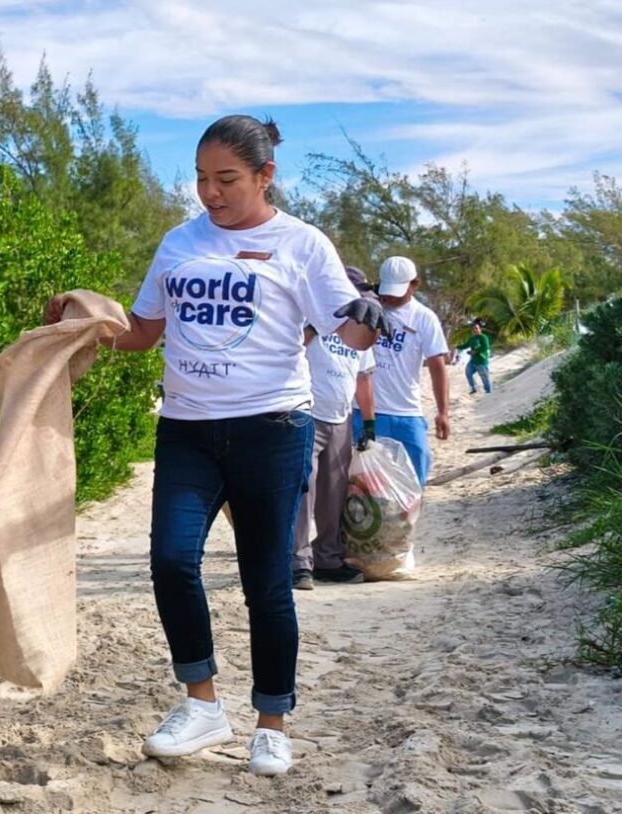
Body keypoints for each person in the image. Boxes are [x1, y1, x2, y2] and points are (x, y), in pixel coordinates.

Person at [45, 115, 388, 776]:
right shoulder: (180, 242)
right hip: (187, 430)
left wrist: (369, 320)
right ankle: (202, 704)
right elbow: (142, 332)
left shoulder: (303, 244)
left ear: (265, 175)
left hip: (273, 429)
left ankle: (272, 724)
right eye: (201, 178)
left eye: (226, 179)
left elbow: (347, 330)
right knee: (172, 560)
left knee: (268, 583)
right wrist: (81, 321)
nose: (210, 193)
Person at [292, 267, 377, 591]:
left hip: (341, 418)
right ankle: (299, 562)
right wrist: (315, 326)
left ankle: (328, 557)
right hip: (307, 414)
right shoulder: (308, 318)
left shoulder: (360, 331)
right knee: (304, 491)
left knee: (334, 493)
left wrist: (369, 422)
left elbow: (363, 378)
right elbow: (290, 348)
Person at [354, 256, 449, 487]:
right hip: (363, 412)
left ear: (414, 284)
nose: (391, 297)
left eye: (397, 291)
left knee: (415, 478)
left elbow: (437, 366)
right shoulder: (368, 309)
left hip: (406, 412)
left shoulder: (424, 318)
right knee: (363, 485)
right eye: (387, 291)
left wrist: (443, 412)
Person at [456, 318, 493, 394]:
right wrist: (457, 347)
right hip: (473, 361)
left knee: (484, 376)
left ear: (480, 329)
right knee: (468, 373)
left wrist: (475, 351)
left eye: (476, 328)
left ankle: (488, 390)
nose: (475, 330)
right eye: (473, 329)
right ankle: (474, 388)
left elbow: (485, 347)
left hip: (481, 361)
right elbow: (465, 345)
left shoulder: (483, 337)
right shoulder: (472, 338)